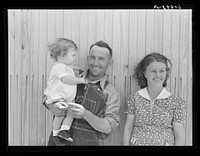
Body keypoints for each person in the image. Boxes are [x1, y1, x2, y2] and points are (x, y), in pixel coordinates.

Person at [43, 40, 120, 146]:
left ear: (109, 62)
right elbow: (48, 95)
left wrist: (86, 114)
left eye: (101, 59)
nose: (95, 63)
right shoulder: (71, 74)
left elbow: (107, 127)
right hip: (57, 143)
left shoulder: (111, 92)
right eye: (92, 57)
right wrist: (53, 107)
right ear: (88, 59)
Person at [123, 52, 186, 146]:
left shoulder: (176, 102)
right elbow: (128, 128)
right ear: (145, 73)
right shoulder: (134, 98)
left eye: (162, 71)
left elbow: (179, 135)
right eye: (153, 71)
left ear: (166, 73)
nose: (158, 75)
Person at [44, 38, 86, 145]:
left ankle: (64, 130)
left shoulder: (65, 67)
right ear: (62, 55)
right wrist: (80, 80)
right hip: (58, 98)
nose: (75, 58)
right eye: (73, 55)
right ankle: (55, 133)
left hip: (67, 98)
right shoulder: (58, 67)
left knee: (71, 113)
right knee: (60, 115)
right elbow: (66, 79)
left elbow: (69, 72)